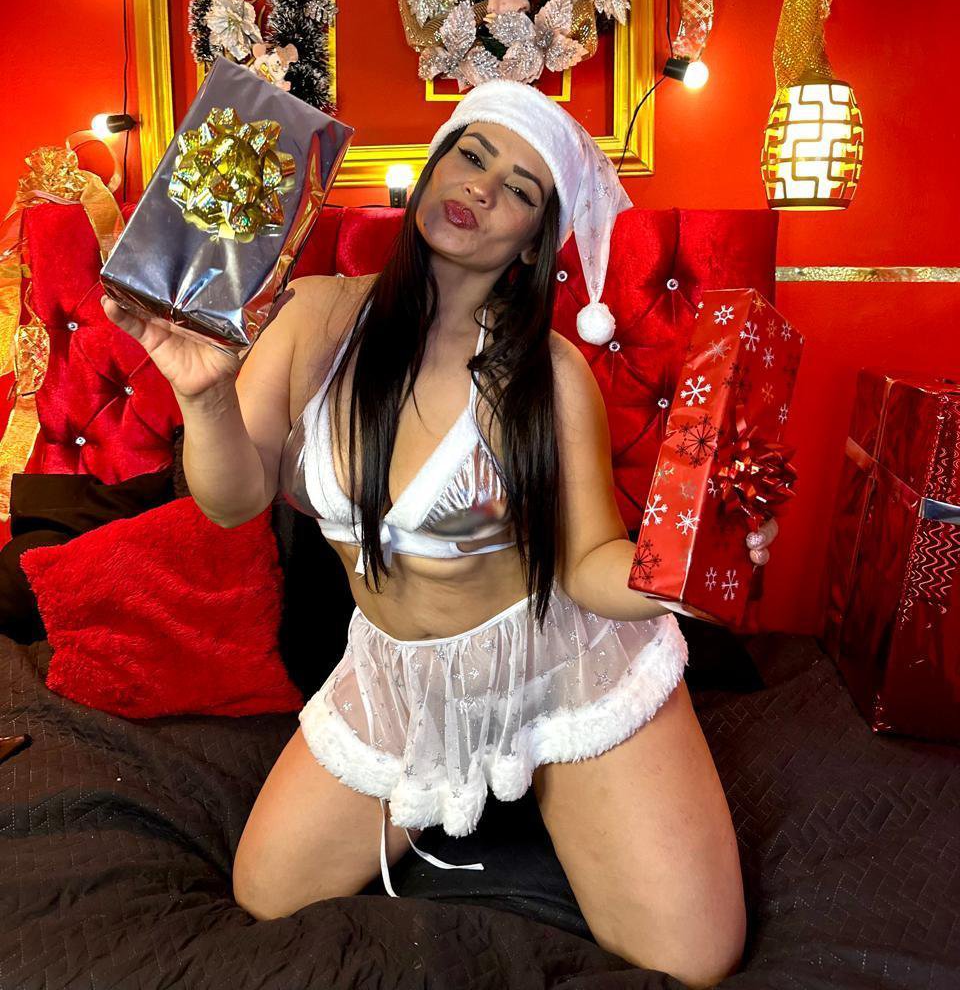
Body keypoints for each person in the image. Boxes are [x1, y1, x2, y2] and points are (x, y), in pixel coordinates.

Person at [102, 80, 777, 988]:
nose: (482, 188)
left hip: (553, 666)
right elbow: (231, 501)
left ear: (534, 238)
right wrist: (205, 395)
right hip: (400, 680)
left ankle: (552, 781)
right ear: (433, 167)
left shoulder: (549, 374)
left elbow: (587, 564)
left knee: (695, 958)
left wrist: (696, 562)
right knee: (264, 892)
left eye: (520, 188)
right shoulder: (312, 317)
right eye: (471, 154)